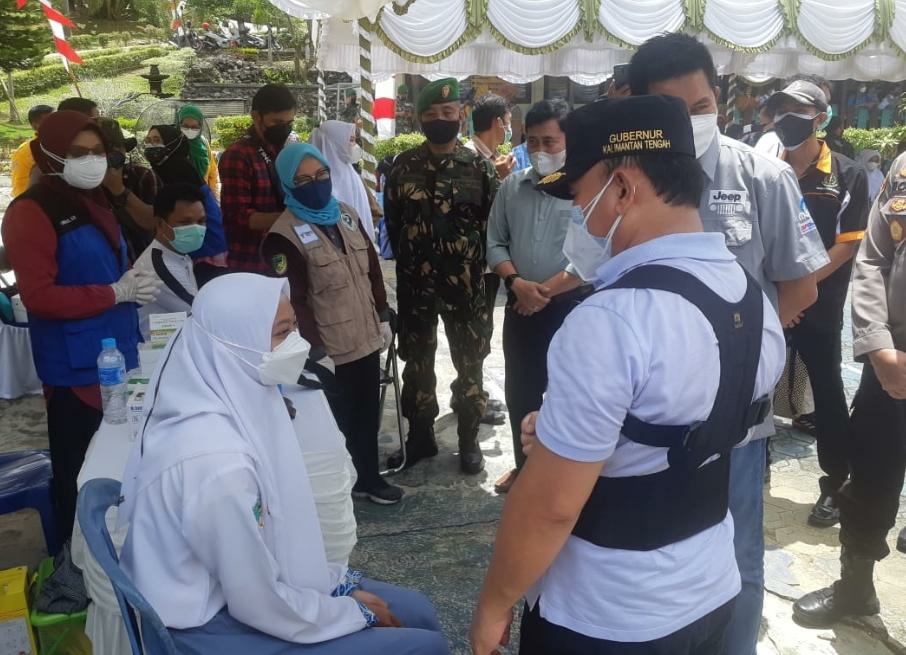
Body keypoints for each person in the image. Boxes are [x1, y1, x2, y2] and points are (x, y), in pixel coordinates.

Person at [469, 95, 785, 655]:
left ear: (622, 188)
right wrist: (572, 430)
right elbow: (688, 423)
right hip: (712, 588)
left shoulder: (611, 319)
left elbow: (551, 505)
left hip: (608, 612)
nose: (578, 214)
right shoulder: (751, 298)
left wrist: (495, 603)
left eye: (581, 196)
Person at [118, 273, 449, 654]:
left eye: (294, 327)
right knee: (424, 647)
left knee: (418, 612)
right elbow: (256, 601)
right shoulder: (216, 463)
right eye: (281, 332)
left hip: (238, 593)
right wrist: (348, 611)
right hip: (207, 626)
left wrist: (334, 587)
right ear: (232, 343)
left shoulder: (235, 404)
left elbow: (268, 544)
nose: (298, 344)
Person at [628, 33, 829, 655]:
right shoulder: (628, 184)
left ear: (716, 98)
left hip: (736, 425)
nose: (692, 122)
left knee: (739, 558)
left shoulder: (760, 176)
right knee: (649, 556)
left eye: (702, 104)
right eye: (672, 110)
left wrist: (744, 362)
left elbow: (798, 289)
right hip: (649, 423)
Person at [1, 110, 158, 541]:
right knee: (80, 474)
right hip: (74, 370)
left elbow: (102, 263)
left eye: (97, 152)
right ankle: (77, 560)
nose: (92, 161)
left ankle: (115, 548)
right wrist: (114, 293)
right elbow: (40, 296)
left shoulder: (92, 200)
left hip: (116, 352)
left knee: (116, 467)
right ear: (49, 154)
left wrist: (132, 281)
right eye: (78, 153)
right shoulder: (31, 212)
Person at [793, 147, 906, 627]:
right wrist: (877, 345)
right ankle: (855, 588)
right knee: (871, 477)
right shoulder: (904, 166)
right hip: (892, 362)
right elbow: (874, 258)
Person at [261, 143, 403, 505]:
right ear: (288, 186)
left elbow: (371, 269)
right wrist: (315, 351)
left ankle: (368, 479)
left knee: (367, 415)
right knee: (335, 424)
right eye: (304, 179)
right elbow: (294, 300)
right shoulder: (283, 236)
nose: (316, 184)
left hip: (366, 336)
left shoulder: (346, 214)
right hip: (329, 348)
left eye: (322, 175)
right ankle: (338, 489)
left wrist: (383, 315)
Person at [767, 81, 870, 528]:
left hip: (821, 304)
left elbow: (846, 245)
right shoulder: (767, 168)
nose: (787, 117)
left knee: (827, 393)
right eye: (782, 109)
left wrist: (801, 286)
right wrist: (781, 293)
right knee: (758, 384)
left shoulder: (846, 174)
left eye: (798, 109)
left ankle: (836, 483)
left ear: (820, 117)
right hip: (771, 301)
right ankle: (757, 467)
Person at [383, 78, 499, 475]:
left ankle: (468, 438)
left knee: (470, 362)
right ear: (419, 120)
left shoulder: (479, 167)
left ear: (461, 116)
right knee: (416, 361)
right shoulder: (403, 168)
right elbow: (395, 224)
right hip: (416, 283)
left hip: (466, 286)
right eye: (431, 115)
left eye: (447, 114)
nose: (440, 120)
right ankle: (420, 435)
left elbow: (493, 225)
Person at [485, 98, 586, 494]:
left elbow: (597, 251)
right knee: (522, 390)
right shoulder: (514, 185)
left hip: (573, 307)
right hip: (520, 305)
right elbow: (494, 242)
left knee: (570, 392)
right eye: (533, 141)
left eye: (550, 141)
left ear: (569, 140)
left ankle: (565, 477)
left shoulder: (587, 187)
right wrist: (516, 283)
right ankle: (524, 467)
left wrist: (546, 290)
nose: (541, 150)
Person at [220, 84, 296, 273]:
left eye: (289, 123)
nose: (284, 129)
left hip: (283, 254)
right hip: (251, 260)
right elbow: (238, 217)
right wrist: (293, 217)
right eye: (277, 123)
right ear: (256, 117)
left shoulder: (284, 151)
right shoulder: (238, 155)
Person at [144, 124, 229, 286]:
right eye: (148, 140)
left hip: (207, 245)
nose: (151, 145)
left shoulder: (177, 169)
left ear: (172, 143)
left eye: (157, 140)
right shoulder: (166, 166)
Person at [133, 184, 206, 340]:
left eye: (201, 221)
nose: (196, 229)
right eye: (185, 222)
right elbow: (201, 312)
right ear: (160, 223)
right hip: (159, 356)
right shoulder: (159, 266)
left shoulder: (179, 254)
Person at [97, 118, 160, 263]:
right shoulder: (82, 183)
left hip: (142, 262)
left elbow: (153, 222)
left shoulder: (142, 176)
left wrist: (119, 190)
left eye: (116, 150)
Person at [308, 120, 374, 241]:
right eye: (351, 140)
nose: (354, 145)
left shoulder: (349, 170)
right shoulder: (319, 178)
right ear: (335, 144)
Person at [465, 93, 516, 181]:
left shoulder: (495, 155)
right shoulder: (468, 158)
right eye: (508, 122)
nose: (509, 128)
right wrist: (498, 177)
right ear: (499, 122)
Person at [176, 104, 220, 198]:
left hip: (203, 198)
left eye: (194, 127)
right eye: (185, 126)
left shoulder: (204, 143)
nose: (190, 130)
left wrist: (212, 198)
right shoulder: (173, 145)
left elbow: (212, 173)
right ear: (179, 124)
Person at [10, 104, 52, 198]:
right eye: (49, 121)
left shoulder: (59, 145)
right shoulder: (25, 151)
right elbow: (19, 188)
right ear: (35, 126)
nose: (55, 125)